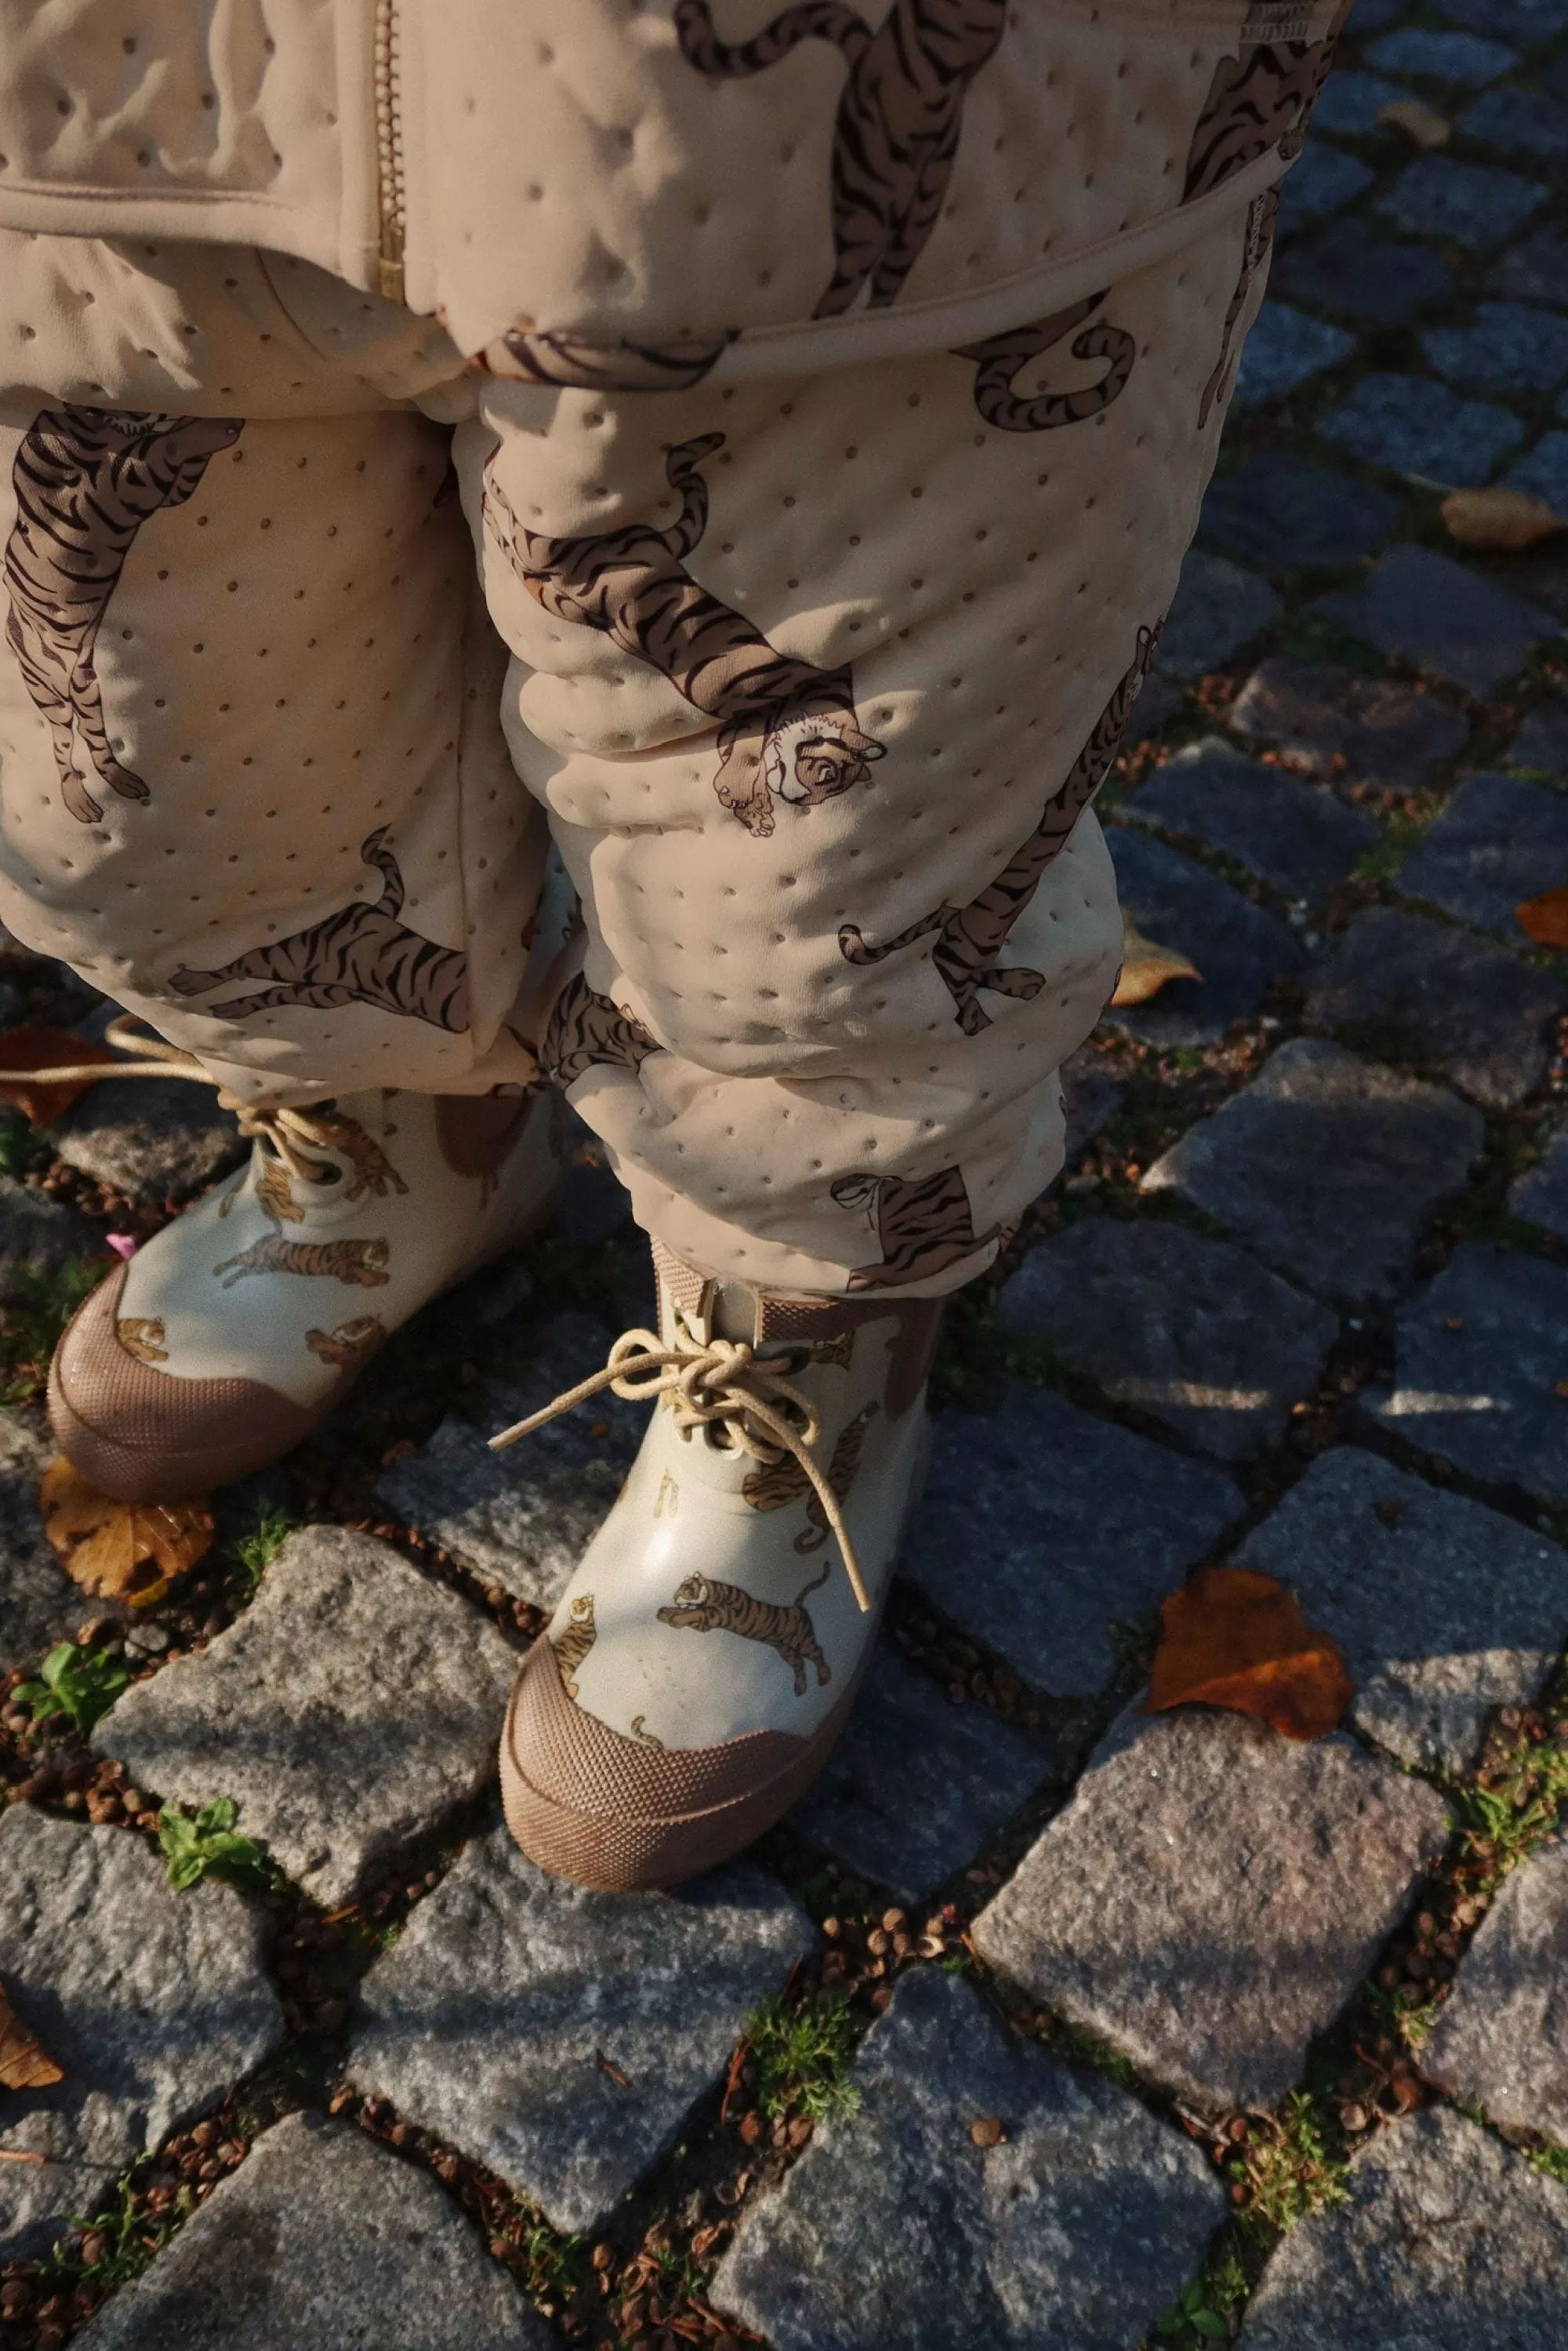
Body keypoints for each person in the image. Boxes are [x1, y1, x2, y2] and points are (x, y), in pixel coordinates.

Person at [0, 0, 1345, 1889]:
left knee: (827, 875)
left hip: (849, 172)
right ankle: (402, 1138)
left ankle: (816, 1324)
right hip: (106, 101)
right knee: (151, 773)